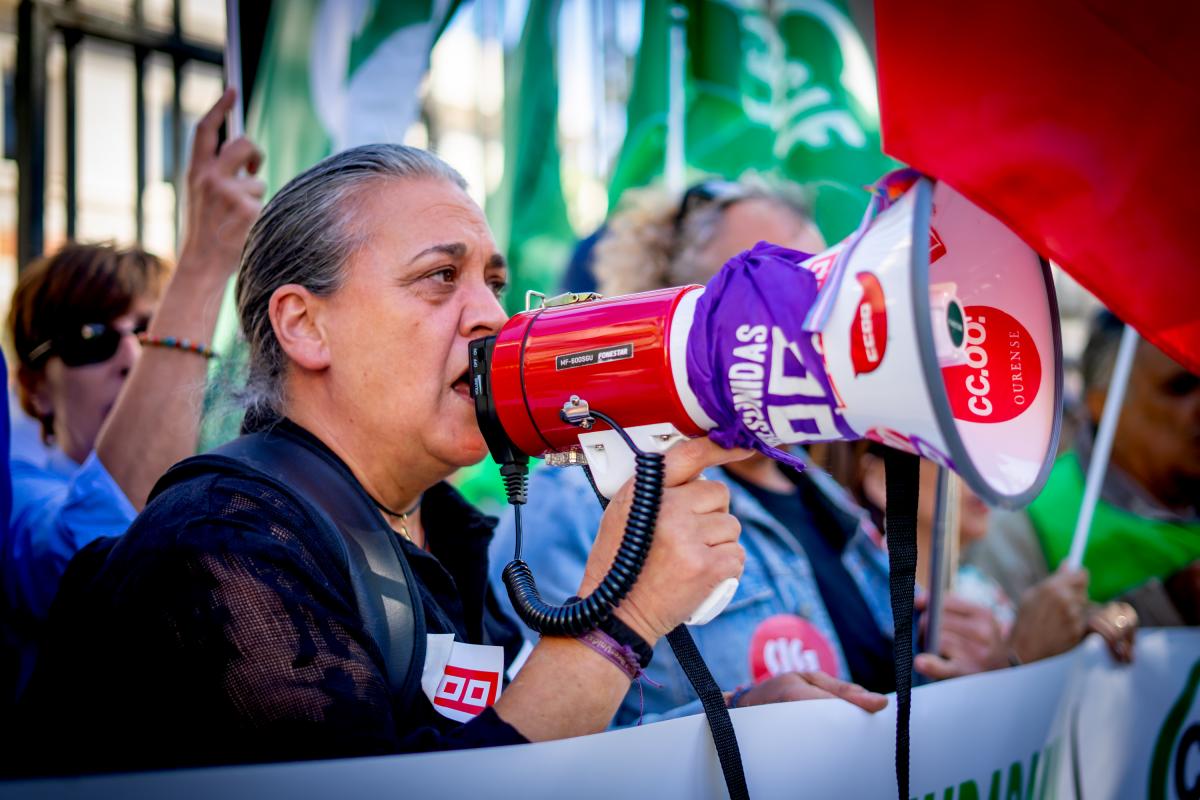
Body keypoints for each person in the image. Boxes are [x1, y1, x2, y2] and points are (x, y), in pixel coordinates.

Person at [11, 143, 866, 777]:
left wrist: (727, 730)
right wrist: (620, 621)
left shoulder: (446, 534)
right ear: (305, 325)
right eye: (438, 278)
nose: (491, 314)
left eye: (492, 280)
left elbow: (486, 749)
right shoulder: (219, 546)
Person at [489, 178, 894, 727]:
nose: (808, 314)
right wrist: (739, 722)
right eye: (762, 288)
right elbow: (547, 748)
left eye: (817, 283)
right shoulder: (582, 504)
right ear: (671, 307)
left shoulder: (818, 489)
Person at [1, 88, 263, 704]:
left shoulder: (234, 480)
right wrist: (202, 265)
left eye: (148, 328)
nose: (131, 355)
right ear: (34, 388)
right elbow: (87, 556)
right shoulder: (17, 497)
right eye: (91, 337)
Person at [968, 310, 1200, 628]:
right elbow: (1009, 663)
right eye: (1181, 386)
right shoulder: (1025, 520)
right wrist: (1168, 602)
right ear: (1102, 402)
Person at [835, 441, 1137, 680]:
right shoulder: (858, 603)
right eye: (953, 451)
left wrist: (1081, 633)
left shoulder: (981, 589)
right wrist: (1018, 658)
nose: (982, 472)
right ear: (881, 479)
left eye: (985, 452)